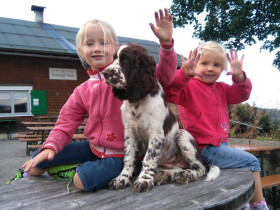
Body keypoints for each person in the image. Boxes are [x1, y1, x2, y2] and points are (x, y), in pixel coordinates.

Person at [14, 8, 178, 192]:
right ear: (81, 51)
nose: (97, 48)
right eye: (90, 44)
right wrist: (51, 146)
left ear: (115, 47)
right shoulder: (81, 90)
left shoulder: (129, 80)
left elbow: (163, 75)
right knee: (38, 160)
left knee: (81, 181)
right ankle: (72, 163)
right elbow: (65, 123)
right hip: (93, 147)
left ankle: (126, 170)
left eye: (103, 43)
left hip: (122, 154)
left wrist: (166, 44)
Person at [163, 41, 268, 210]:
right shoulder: (188, 87)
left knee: (237, 171)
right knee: (252, 162)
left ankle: (244, 204)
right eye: (204, 63)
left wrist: (239, 76)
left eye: (217, 65)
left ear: (223, 69)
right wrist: (183, 73)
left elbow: (242, 94)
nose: (210, 68)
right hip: (204, 148)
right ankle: (259, 205)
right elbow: (169, 93)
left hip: (220, 146)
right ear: (194, 64)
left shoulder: (222, 89)